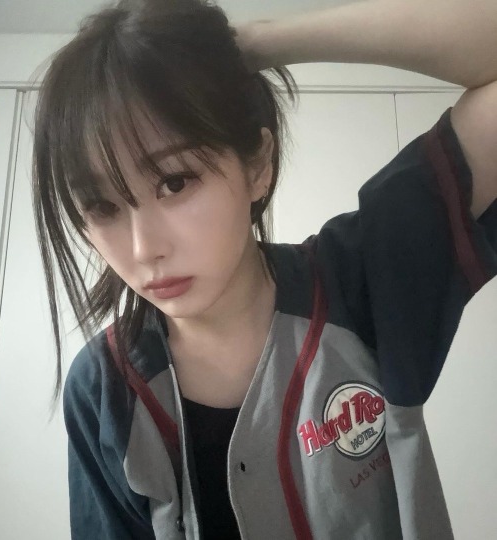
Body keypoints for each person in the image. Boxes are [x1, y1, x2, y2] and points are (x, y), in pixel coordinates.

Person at [32, 0, 497, 538]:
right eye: (102, 206)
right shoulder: (103, 386)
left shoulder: (360, 277)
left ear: (257, 164)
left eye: (175, 182)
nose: (143, 248)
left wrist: (253, 45)